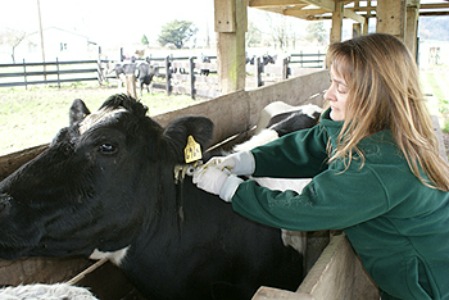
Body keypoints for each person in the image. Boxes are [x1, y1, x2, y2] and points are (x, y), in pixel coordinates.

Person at [192, 33, 449, 300]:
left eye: (341, 88)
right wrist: (246, 159)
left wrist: (231, 189)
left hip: (427, 287)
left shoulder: (379, 164)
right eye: (331, 83)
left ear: (375, 95)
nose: (328, 95)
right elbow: (312, 144)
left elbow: (307, 209)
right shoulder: (367, 129)